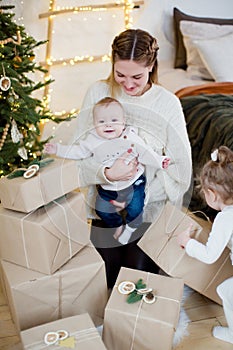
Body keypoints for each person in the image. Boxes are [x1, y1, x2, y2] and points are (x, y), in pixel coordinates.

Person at [63, 28, 192, 287]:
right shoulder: (97, 93)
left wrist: (138, 199)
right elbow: (75, 157)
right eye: (120, 74)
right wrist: (106, 175)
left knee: (135, 282)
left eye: (137, 76)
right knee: (104, 281)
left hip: (147, 213)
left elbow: (181, 170)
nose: (128, 84)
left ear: (152, 66)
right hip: (106, 208)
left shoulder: (167, 104)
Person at [44, 97, 170, 245]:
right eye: (101, 122)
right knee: (102, 210)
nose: (108, 125)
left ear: (123, 122)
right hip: (107, 187)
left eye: (114, 120)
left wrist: (160, 161)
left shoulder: (129, 137)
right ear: (94, 124)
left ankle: (130, 227)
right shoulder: (92, 140)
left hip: (133, 183)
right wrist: (58, 149)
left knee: (136, 209)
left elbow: (145, 152)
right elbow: (77, 152)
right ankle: (116, 225)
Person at [177, 146, 233, 345]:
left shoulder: (225, 219)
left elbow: (210, 255)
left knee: (227, 291)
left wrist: (187, 242)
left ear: (212, 194)